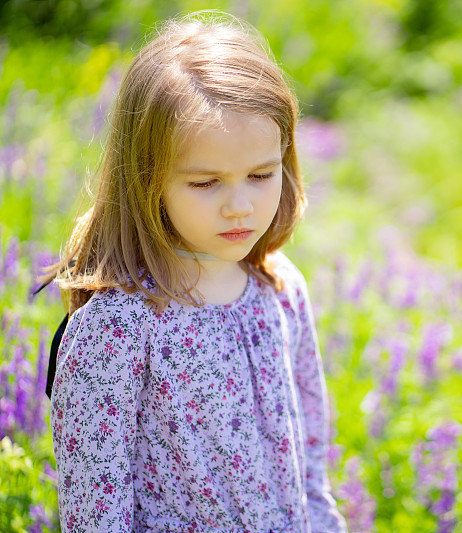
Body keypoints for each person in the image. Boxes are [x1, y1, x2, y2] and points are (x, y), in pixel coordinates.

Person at [43, 11, 349, 533]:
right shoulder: (118, 328)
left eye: (260, 175)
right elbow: (96, 512)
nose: (240, 207)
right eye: (205, 183)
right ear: (146, 182)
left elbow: (310, 461)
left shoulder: (279, 287)